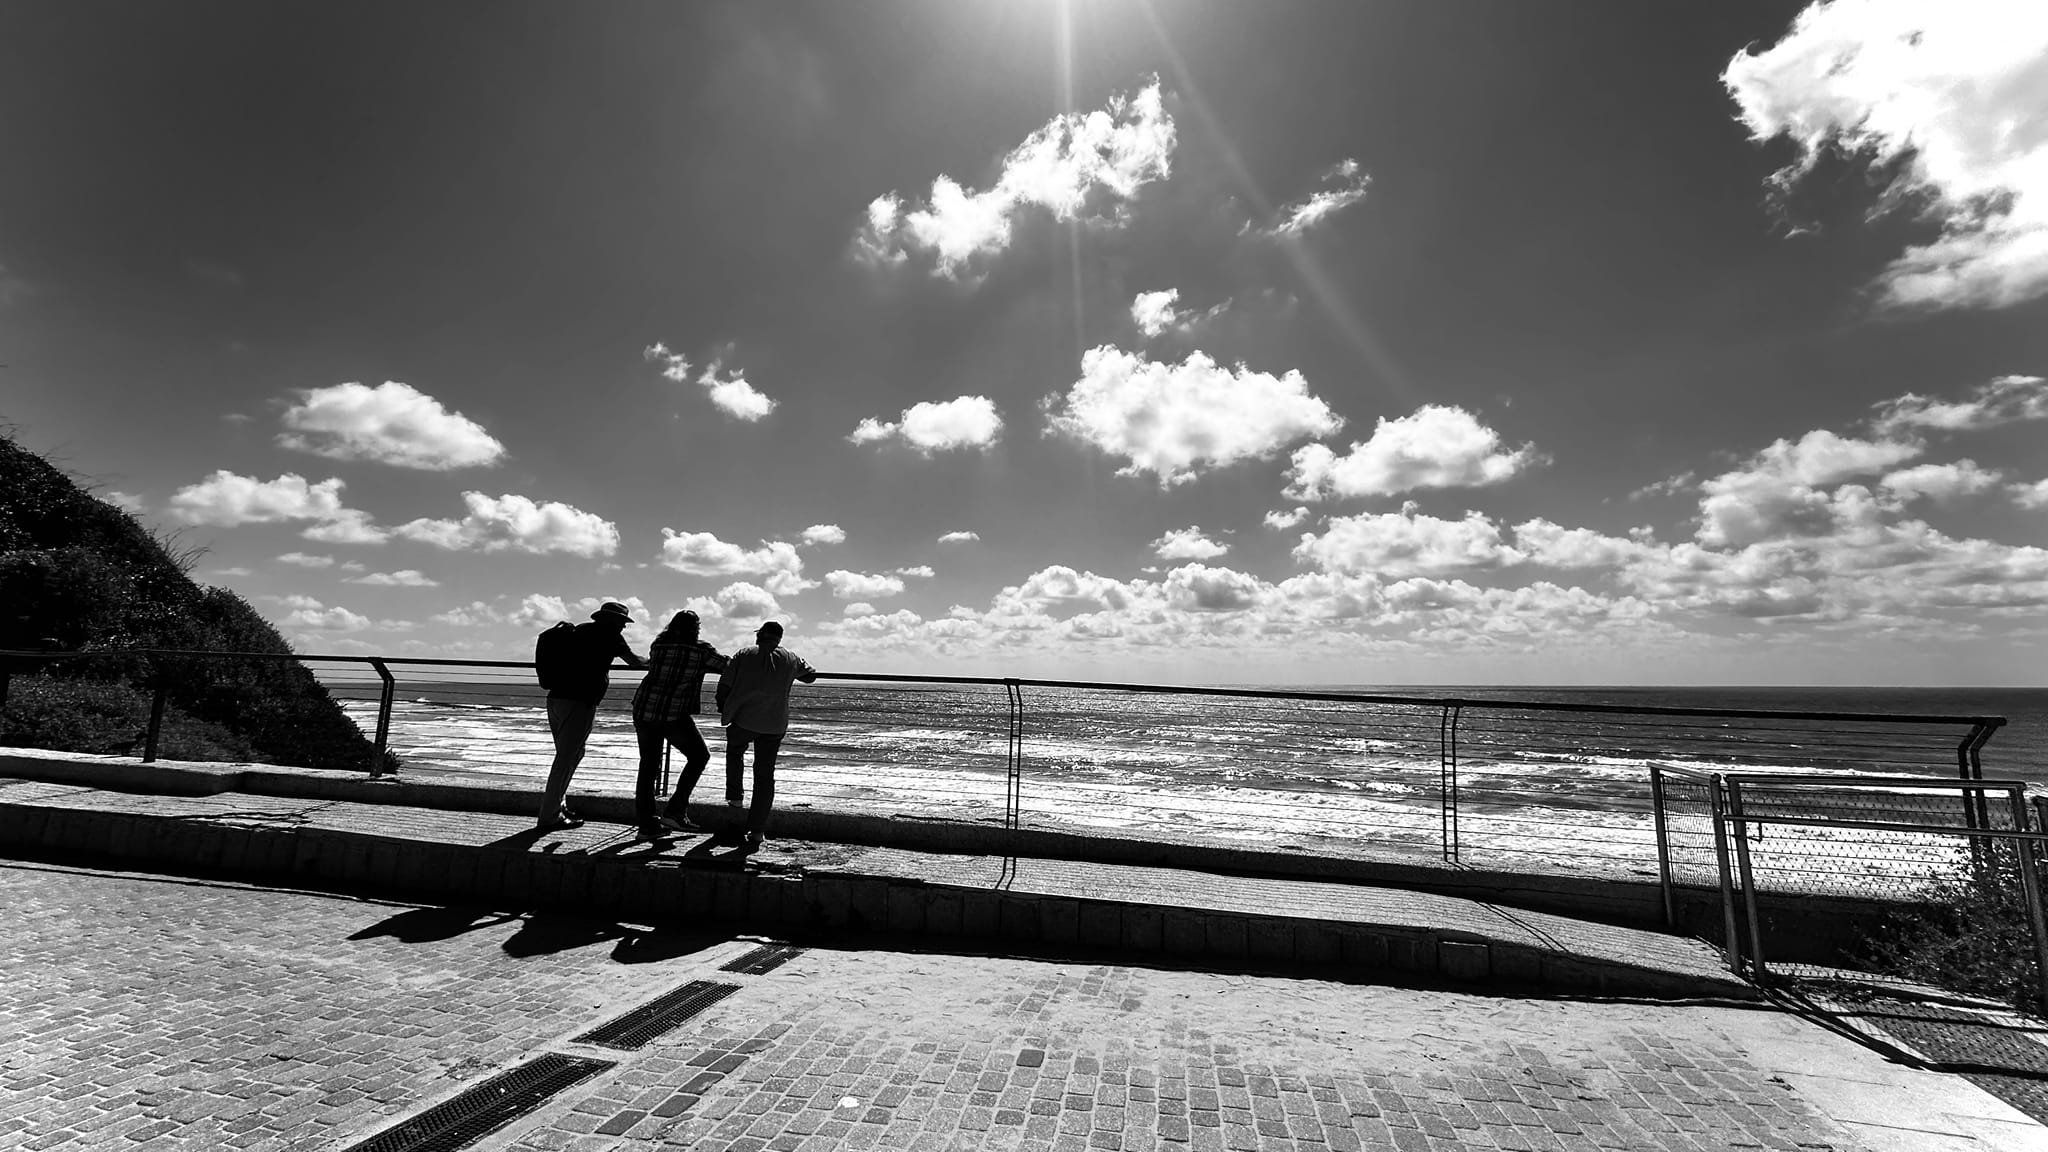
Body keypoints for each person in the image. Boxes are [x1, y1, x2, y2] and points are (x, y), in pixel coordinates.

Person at [536, 601, 646, 831]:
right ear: (613, 620)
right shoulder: (610, 636)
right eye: (622, 622)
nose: (624, 627)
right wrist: (654, 661)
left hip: (556, 698)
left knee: (572, 754)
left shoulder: (579, 630)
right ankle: (549, 816)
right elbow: (634, 661)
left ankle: (558, 806)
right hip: (579, 702)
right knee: (566, 758)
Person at [714, 620, 818, 848]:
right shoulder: (791, 657)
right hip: (774, 724)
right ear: (779, 638)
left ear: (760, 635)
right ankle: (757, 830)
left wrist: (724, 708)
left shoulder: (743, 654)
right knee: (764, 775)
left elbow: (724, 685)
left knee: (735, 751)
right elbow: (811, 675)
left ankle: (735, 796)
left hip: (743, 719)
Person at [630, 610, 728, 840]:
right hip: (672, 713)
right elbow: (727, 665)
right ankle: (675, 811)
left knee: (648, 766)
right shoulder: (701, 650)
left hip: (644, 708)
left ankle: (647, 825)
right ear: (695, 629)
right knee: (699, 756)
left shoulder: (659, 645)